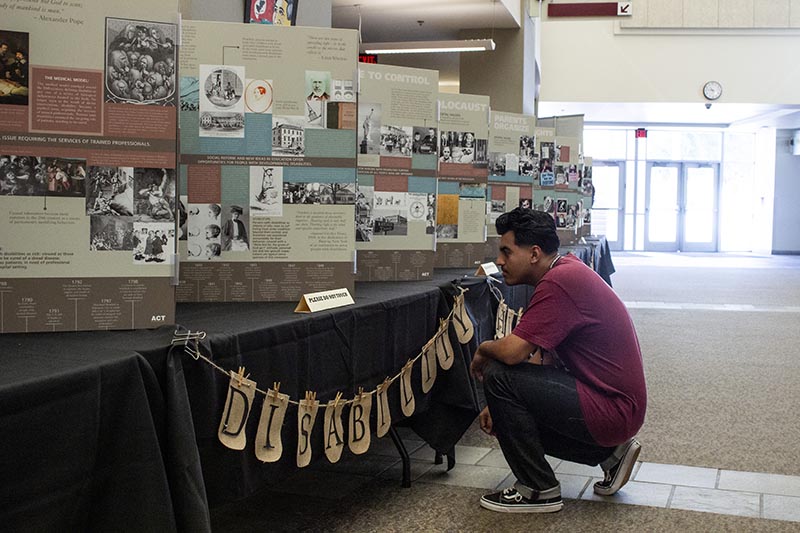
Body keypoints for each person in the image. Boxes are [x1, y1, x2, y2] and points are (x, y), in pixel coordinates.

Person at [470, 207, 646, 513]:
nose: (499, 261)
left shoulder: (558, 283)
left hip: (614, 408)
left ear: (534, 254)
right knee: (505, 394)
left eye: (506, 252)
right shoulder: (566, 269)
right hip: (617, 405)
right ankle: (610, 455)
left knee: (498, 371)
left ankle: (538, 489)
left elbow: (512, 353)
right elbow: (543, 362)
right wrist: (499, 406)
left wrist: (484, 348)